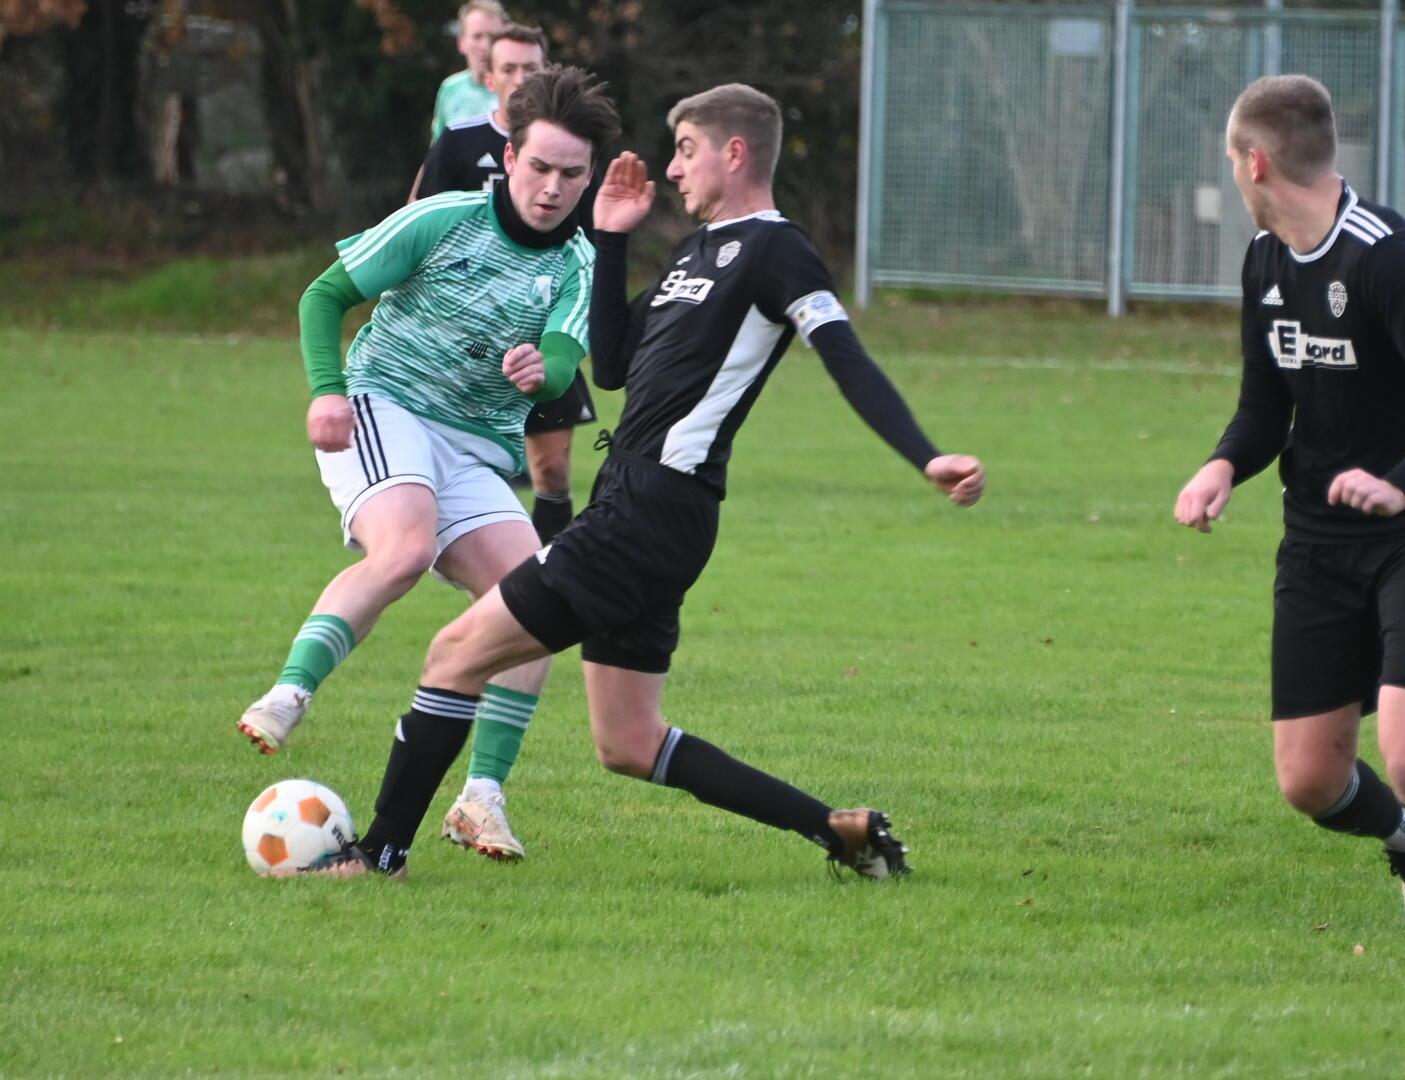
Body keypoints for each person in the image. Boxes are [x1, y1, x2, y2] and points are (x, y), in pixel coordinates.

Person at [301, 83, 985, 883]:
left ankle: (379, 855)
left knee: (454, 652)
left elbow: (845, 357)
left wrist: (924, 455)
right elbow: (617, 366)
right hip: (648, 511)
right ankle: (838, 831)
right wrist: (614, 239)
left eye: (686, 150)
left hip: (650, 510)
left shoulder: (777, 249)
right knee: (627, 743)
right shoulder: (697, 252)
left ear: (735, 154)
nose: (672, 169)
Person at [1173, 75, 1405, 1008]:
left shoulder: (1386, 259)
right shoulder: (1264, 259)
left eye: (1231, 161)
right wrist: (1220, 467)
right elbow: (1264, 406)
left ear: (1256, 161)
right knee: (1310, 781)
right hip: (1318, 541)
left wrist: (1397, 481)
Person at [238, 67, 619, 867]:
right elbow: (324, 295)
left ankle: (482, 798)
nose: (552, 188)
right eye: (540, 167)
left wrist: (540, 374)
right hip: (386, 408)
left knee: (534, 607)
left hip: (475, 449)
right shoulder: (443, 219)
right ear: (509, 158)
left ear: (589, 179)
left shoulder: (580, 263)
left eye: (571, 174)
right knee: (404, 550)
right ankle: (290, 692)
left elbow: (560, 359)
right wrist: (326, 390)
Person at [413, 22, 600, 546]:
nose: (520, 78)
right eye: (509, 68)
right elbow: (419, 222)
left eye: (531, 68)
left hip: (544, 330)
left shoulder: (570, 148)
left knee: (554, 472)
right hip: (462, 341)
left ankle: (548, 577)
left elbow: (592, 241)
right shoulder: (459, 142)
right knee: (469, 463)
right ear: (487, 76)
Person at [430, 1, 506, 143]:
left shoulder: (516, 90)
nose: (485, 46)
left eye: (493, 37)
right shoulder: (450, 89)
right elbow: (436, 154)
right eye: (477, 36)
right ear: (462, 43)